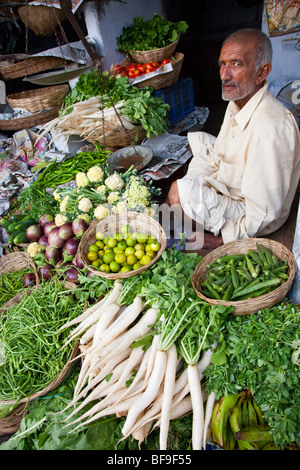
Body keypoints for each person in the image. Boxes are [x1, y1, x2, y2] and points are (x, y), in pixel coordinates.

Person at [167, 28, 300, 250]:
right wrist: (195, 184)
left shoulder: (269, 129)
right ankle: (184, 206)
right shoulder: (238, 101)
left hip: (252, 211)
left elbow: (264, 213)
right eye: (222, 64)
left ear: (261, 72)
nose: (224, 75)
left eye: (236, 64)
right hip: (237, 180)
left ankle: (198, 232)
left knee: (179, 192)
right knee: (197, 142)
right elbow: (219, 151)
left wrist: (221, 240)